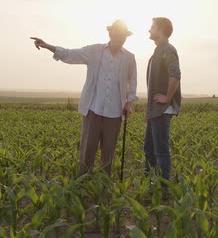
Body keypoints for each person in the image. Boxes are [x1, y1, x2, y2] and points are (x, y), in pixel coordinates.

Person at [30, 19, 138, 176]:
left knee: (108, 153)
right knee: (87, 151)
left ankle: (103, 186)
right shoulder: (94, 50)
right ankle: (83, 182)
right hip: (93, 109)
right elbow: (70, 54)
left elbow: (132, 82)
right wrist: (48, 46)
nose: (121, 38)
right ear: (110, 33)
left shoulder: (130, 58)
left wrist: (129, 102)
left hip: (114, 112)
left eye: (124, 36)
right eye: (118, 34)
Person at [144, 17, 181, 184]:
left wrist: (167, 97)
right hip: (155, 110)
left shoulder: (168, 49)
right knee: (149, 149)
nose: (149, 30)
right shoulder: (158, 50)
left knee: (161, 151)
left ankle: (163, 188)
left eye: (152, 27)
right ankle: (150, 183)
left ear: (160, 30)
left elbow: (175, 75)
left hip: (162, 109)